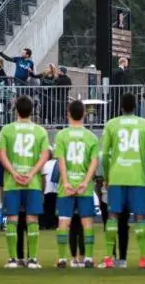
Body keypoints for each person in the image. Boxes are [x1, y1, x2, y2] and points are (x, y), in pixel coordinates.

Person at [100, 93, 145, 269]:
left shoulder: (111, 124)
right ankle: (143, 259)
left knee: (112, 215)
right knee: (140, 217)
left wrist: (106, 176)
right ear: (136, 107)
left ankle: (109, 259)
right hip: (137, 176)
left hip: (116, 176)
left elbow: (104, 154)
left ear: (121, 107)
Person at [0, 95, 50, 269]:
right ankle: (32, 259)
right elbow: (44, 156)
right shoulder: (40, 131)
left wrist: (14, 173)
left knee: (12, 219)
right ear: (31, 111)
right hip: (32, 182)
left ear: (16, 110)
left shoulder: (7, 130)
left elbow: (1, 153)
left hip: (12, 182)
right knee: (32, 219)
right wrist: (31, 173)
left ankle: (13, 259)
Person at [54, 100, 99, 268]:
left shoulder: (61, 135)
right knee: (87, 222)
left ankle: (62, 258)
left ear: (68, 114)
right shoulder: (91, 137)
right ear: (85, 114)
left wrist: (65, 182)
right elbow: (94, 163)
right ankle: (88, 258)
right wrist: (85, 183)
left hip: (66, 186)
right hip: (84, 186)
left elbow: (61, 161)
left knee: (63, 222)